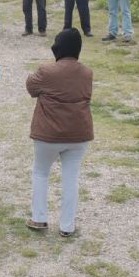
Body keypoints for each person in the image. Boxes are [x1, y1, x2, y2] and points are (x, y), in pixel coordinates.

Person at [24, 28, 93, 237]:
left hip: (48, 134)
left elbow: (31, 88)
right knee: (71, 178)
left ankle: (39, 218)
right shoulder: (87, 73)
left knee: (41, 172)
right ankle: (67, 226)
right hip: (78, 134)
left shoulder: (46, 71)